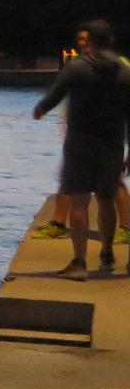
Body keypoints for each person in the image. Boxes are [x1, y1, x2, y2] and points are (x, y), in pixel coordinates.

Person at [32, 19, 130, 279]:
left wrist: (40, 110)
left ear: (91, 41)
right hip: (112, 144)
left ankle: (79, 262)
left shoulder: (77, 68)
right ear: (110, 40)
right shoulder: (124, 71)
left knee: (79, 201)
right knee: (106, 199)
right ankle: (107, 250)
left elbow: (53, 97)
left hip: (80, 143)